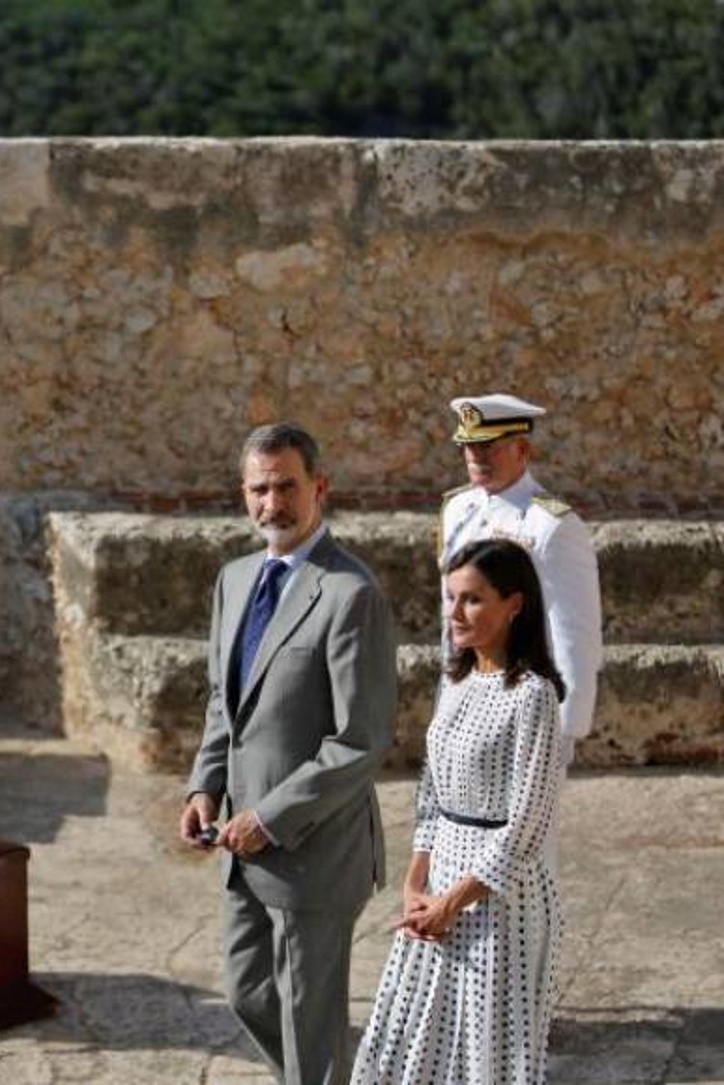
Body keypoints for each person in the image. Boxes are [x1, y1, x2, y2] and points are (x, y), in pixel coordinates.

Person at [181, 422, 397, 1085]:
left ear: (319, 488)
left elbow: (360, 741)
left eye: (285, 486)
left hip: (315, 848)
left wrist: (269, 815)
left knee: (311, 1016)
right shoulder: (235, 579)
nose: (271, 504)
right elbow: (227, 702)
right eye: (257, 488)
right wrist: (204, 787)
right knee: (248, 992)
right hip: (241, 849)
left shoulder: (350, 593)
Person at [351, 538, 568, 1084]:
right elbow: (432, 787)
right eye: (450, 598)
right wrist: (415, 881)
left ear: (513, 605)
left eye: (471, 599)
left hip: (500, 899)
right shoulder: (455, 678)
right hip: (437, 882)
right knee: (405, 1039)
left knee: (487, 1052)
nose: (454, 613)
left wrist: (453, 901)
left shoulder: (533, 696)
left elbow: (527, 825)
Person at [440, 393, 602, 750]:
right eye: (469, 446)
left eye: (489, 447)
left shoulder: (552, 524)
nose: (477, 457)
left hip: (523, 701)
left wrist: (566, 727)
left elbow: (575, 631)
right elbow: (450, 619)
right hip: (465, 694)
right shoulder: (457, 509)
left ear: (522, 451)